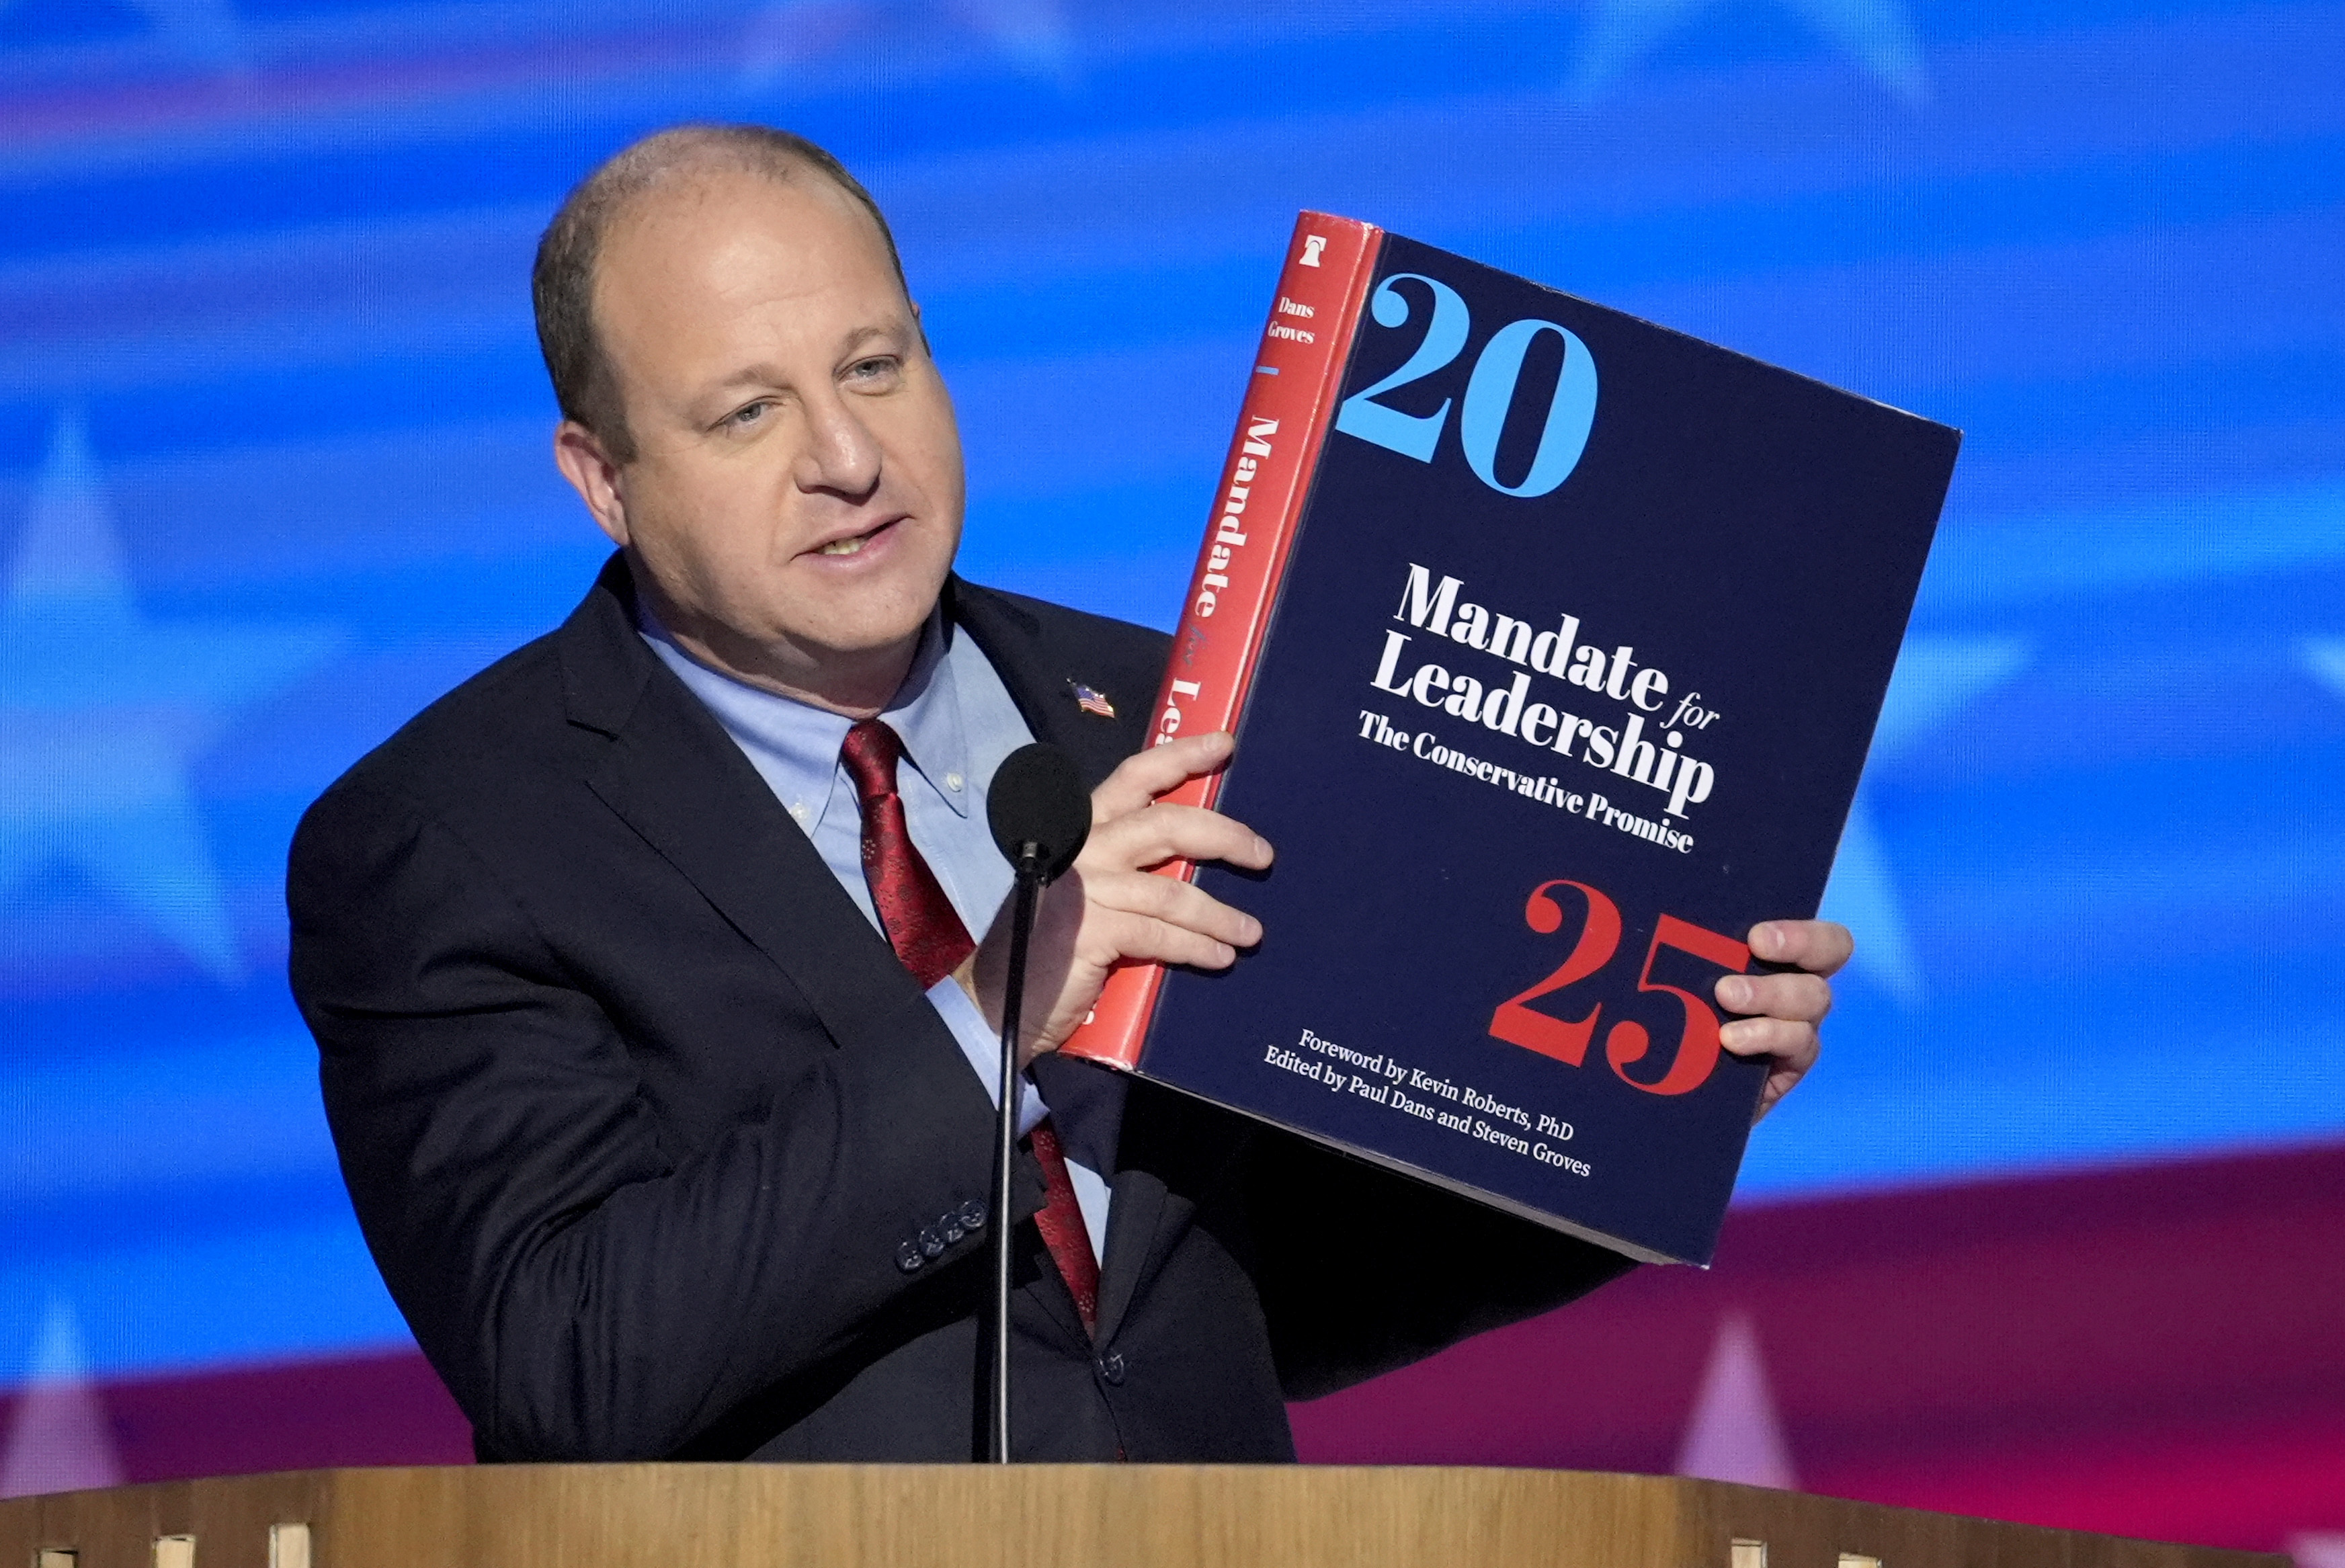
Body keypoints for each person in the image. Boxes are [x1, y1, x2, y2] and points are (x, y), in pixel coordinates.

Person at [286, 124, 1852, 1463]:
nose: (846, 454)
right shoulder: (448, 841)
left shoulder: (1181, 707)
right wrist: (989, 1022)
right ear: (600, 476)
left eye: (874, 365)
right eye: (745, 411)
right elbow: (569, 1361)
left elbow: (1278, 1288)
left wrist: (1638, 1108)